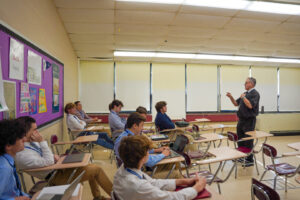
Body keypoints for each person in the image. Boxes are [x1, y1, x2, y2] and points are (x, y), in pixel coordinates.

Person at [15, 116, 112, 200]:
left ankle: (98, 197)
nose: (37, 132)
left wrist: (53, 156)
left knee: (91, 166)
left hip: (59, 169)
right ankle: (116, 196)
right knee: (96, 170)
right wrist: (42, 142)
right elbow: (48, 161)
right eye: (34, 130)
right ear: (25, 132)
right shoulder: (21, 154)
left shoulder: (30, 143)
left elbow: (45, 156)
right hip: (55, 177)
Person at [113, 135, 207, 200]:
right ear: (142, 158)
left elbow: (153, 182)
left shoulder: (124, 169)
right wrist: (196, 188)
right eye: (147, 151)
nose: (148, 153)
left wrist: (183, 181)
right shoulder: (138, 186)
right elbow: (172, 198)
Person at [226, 77, 260, 166]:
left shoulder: (255, 94)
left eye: (246, 83)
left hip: (249, 120)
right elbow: (236, 104)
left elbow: (250, 106)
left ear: (251, 84)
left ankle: (249, 160)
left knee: (248, 139)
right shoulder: (245, 93)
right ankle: (241, 156)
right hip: (241, 120)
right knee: (240, 139)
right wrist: (231, 97)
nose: (244, 84)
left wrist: (244, 98)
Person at [0, 119, 30, 200]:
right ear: (9, 145)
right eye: (20, 138)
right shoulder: (4, 168)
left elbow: (13, 192)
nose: (25, 140)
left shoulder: (7, 161)